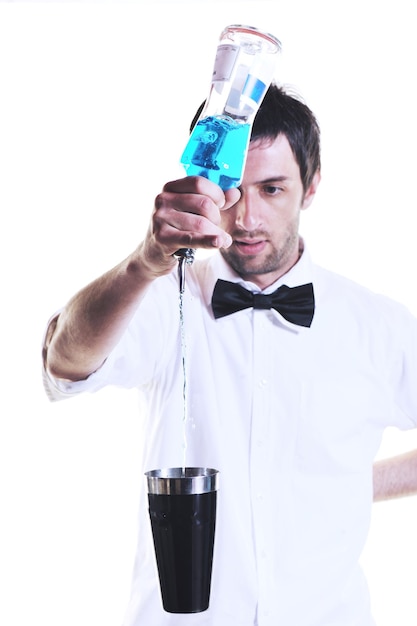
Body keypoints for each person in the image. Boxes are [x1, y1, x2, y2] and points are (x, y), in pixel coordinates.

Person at [43, 83, 417, 626]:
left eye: (272, 189)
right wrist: (143, 263)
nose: (245, 219)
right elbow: (64, 363)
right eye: (232, 192)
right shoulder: (159, 298)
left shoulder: (377, 325)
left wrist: (352, 485)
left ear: (310, 187)